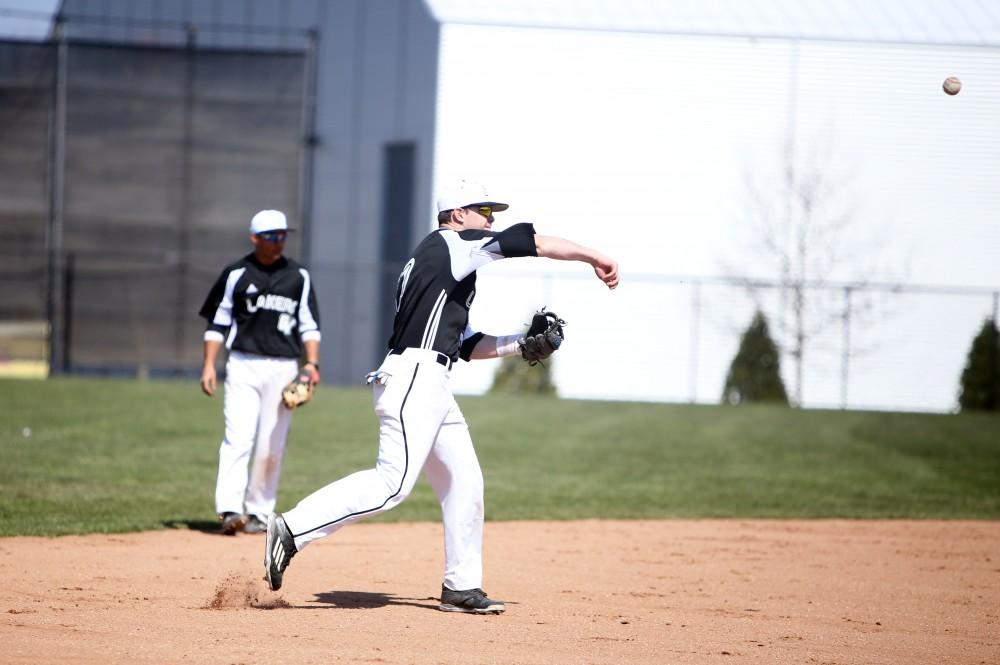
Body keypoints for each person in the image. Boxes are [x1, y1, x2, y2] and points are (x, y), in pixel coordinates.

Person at [264, 181, 618, 613]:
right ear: (457, 215)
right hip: (416, 377)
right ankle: (291, 528)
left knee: (464, 480)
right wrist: (594, 256)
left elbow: (465, 345)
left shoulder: (440, 262)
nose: (491, 220)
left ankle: (462, 586)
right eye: (483, 210)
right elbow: (534, 242)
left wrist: (521, 343)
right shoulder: (455, 243)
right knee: (392, 483)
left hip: (429, 379)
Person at [199, 209, 322, 535]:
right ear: (255, 238)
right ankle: (228, 510)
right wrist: (209, 364)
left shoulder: (298, 276)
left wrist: (311, 365)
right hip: (242, 364)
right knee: (237, 438)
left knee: (272, 443)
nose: (278, 241)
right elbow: (217, 324)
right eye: (271, 236)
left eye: (282, 235)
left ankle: (259, 512)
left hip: (283, 368)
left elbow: (310, 326)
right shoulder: (236, 274)